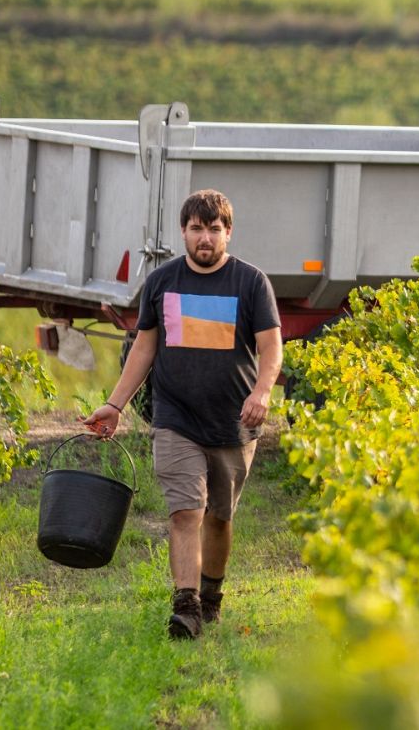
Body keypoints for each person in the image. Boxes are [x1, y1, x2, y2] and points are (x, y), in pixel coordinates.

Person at [83, 189, 281, 640]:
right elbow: (144, 348)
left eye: (214, 229)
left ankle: (211, 596)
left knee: (219, 517)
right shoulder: (162, 281)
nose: (205, 238)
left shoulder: (250, 283)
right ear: (183, 233)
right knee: (185, 512)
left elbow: (271, 347)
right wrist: (114, 405)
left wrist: (263, 391)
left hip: (234, 420)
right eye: (196, 229)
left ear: (228, 233)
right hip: (175, 418)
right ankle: (186, 606)